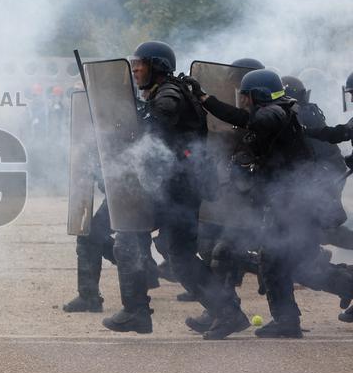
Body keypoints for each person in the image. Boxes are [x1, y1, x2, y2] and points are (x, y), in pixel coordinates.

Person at [102, 42, 244, 338]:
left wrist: (137, 126)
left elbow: (162, 119)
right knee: (172, 251)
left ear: (158, 66)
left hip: (177, 188)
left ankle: (139, 312)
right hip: (175, 185)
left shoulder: (168, 93)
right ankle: (225, 310)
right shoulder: (166, 91)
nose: (136, 69)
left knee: (136, 241)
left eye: (141, 64)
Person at [187, 69, 316, 338]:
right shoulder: (278, 111)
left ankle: (232, 316)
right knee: (273, 260)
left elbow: (257, 123)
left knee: (235, 254)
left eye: (245, 96)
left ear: (257, 95)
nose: (242, 101)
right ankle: (286, 321)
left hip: (281, 203)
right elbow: (244, 118)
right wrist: (204, 97)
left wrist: (240, 162)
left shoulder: (272, 115)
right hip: (280, 200)